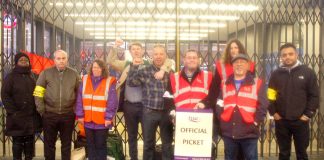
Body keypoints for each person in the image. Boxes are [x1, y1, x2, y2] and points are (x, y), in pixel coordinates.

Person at [106, 39, 172, 160]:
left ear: (142, 51)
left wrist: (163, 69)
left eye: (138, 49)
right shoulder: (126, 64)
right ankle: (133, 158)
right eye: (133, 49)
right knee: (132, 136)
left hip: (145, 106)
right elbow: (110, 61)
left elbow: (168, 61)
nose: (136, 51)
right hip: (129, 105)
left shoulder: (149, 63)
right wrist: (115, 47)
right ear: (130, 51)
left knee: (148, 138)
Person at [267, 43, 319, 160]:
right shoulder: (276, 74)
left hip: (301, 121)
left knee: (301, 154)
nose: (287, 57)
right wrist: (274, 113)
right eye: (284, 55)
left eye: (290, 54)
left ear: (296, 55)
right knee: (283, 154)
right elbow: (270, 95)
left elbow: (314, 95)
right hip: (281, 120)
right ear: (281, 57)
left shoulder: (308, 72)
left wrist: (307, 115)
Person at [217, 54, 268, 160]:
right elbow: (219, 103)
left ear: (248, 66)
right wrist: (221, 120)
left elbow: (263, 105)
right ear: (232, 66)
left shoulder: (257, 83)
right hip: (229, 131)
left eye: (242, 62)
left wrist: (256, 122)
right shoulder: (224, 83)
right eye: (236, 62)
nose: (239, 64)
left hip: (249, 131)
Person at [127, 45, 173, 160]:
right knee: (148, 144)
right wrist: (133, 67)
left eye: (161, 54)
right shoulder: (145, 70)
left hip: (166, 113)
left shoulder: (170, 72)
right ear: (152, 56)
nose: (158, 57)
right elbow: (131, 83)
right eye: (156, 54)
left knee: (167, 144)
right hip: (149, 112)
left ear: (165, 56)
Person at [33, 50, 80, 160]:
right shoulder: (45, 73)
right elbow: (38, 93)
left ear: (67, 59)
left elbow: (79, 93)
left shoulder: (74, 74)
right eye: (58, 59)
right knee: (49, 145)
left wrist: (74, 110)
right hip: (49, 114)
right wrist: (42, 111)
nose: (61, 61)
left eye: (63, 58)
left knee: (66, 144)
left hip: (68, 115)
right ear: (54, 60)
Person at [214, 39, 255, 159]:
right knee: (230, 149)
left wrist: (256, 120)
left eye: (236, 47)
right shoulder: (220, 65)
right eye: (231, 48)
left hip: (244, 113)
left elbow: (252, 88)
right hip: (227, 110)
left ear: (240, 49)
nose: (233, 50)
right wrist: (219, 113)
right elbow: (216, 88)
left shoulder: (250, 65)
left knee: (245, 152)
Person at [1, 52, 42, 160]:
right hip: (16, 116)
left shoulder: (33, 76)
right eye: (21, 60)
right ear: (16, 62)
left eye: (26, 60)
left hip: (31, 115)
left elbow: (39, 92)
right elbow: (5, 95)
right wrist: (13, 112)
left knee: (30, 141)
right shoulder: (10, 77)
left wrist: (38, 107)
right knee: (17, 142)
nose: (24, 62)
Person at [75, 59, 118, 160]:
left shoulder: (109, 81)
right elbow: (79, 99)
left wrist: (108, 117)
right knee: (90, 145)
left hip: (102, 121)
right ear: (91, 68)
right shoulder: (85, 79)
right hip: (87, 120)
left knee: (101, 145)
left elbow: (112, 101)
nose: (96, 69)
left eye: (98, 67)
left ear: (103, 69)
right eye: (94, 67)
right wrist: (80, 115)